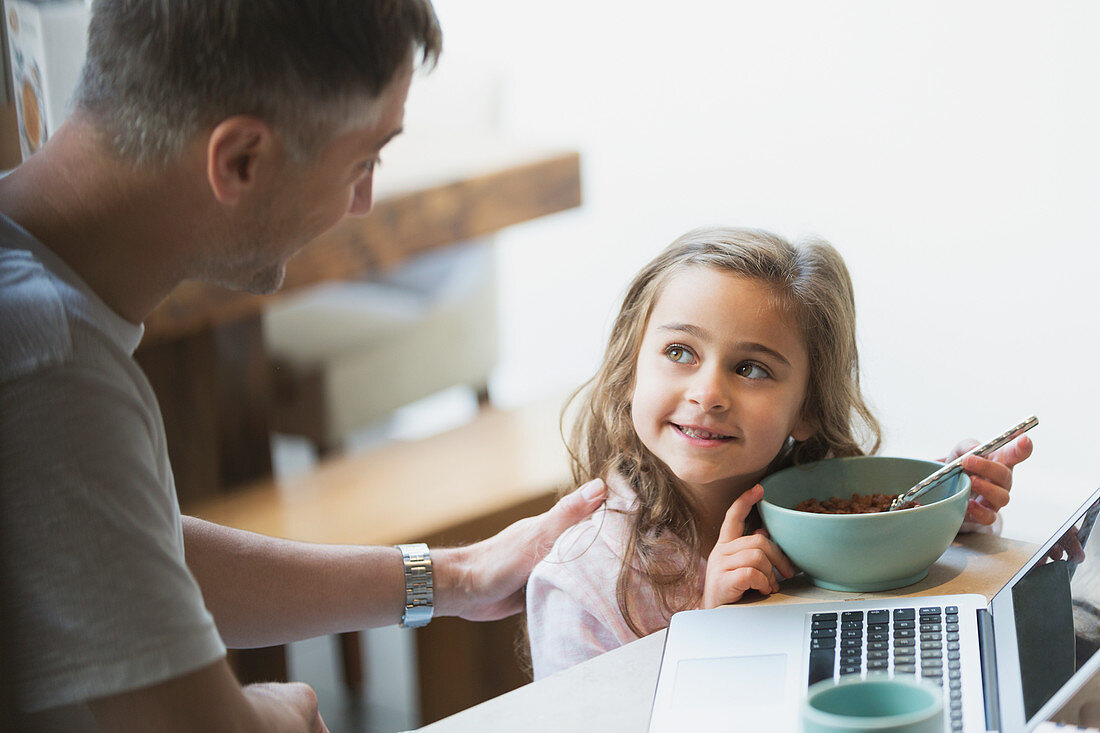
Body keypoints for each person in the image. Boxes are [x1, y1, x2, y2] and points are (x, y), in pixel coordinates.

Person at [0, 1, 609, 730]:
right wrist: (275, 710)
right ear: (240, 161)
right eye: (362, 160)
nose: (363, 201)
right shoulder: (50, 365)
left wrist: (458, 576)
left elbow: (134, 549)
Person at [525, 226, 1033, 679]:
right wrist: (710, 630)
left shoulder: (825, 508)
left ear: (806, 409)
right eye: (680, 352)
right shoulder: (579, 583)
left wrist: (953, 509)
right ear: (628, 372)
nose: (708, 393)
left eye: (751, 368)